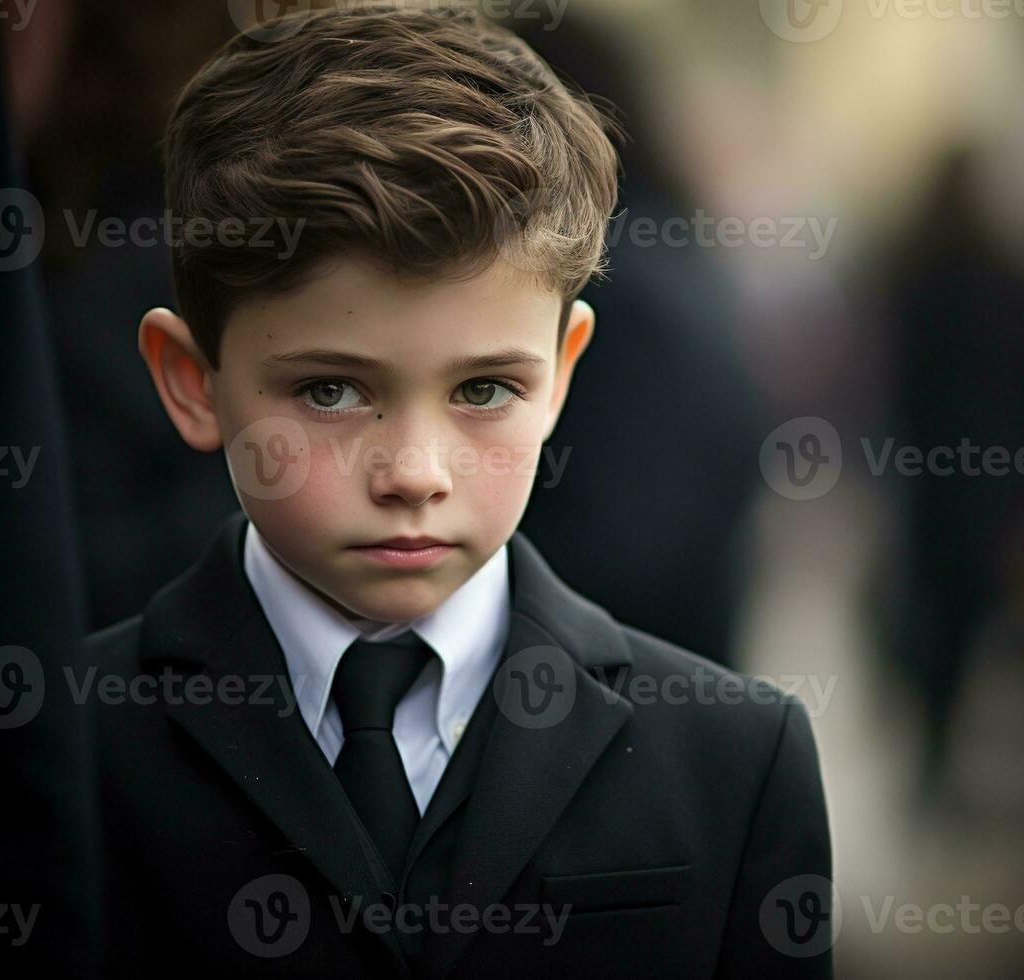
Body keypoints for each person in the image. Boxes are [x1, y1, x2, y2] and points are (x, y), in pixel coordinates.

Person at [85, 7, 831, 976]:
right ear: (192, 380)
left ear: (561, 375)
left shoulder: (734, 760)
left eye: (484, 389)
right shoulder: (54, 747)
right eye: (330, 390)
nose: (414, 474)